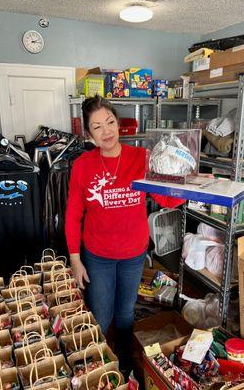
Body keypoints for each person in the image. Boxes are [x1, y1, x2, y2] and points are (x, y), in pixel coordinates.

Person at [65, 95, 185, 376]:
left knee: (125, 314)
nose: (106, 131)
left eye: (109, 122)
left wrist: (187, 184)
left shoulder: (141, 158)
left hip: (133, 253)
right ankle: (99, 368)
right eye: (97, 127)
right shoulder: (83, 165)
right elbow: (73, 216)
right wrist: (75, 259)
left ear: (119, 124)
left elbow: (165, 200)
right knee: (101, 314)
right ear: (88, 133)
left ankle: (124, 365)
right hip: (98, 256)